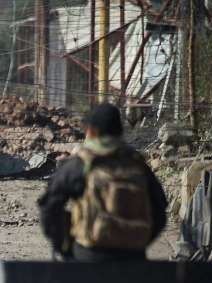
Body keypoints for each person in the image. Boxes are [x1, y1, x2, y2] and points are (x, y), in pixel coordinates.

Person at [38, 103, 167, 262]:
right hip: (134, 258)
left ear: (91, 131)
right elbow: (160, 212)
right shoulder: (137, 164)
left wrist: (64, 246)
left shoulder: (80, 164)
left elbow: (49, 209)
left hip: (89, 256)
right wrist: (139, 242)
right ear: (119, 131)